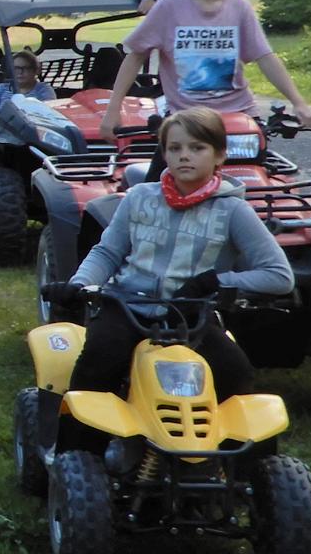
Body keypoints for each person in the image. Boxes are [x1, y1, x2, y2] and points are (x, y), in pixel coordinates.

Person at [61, 107, 291, 401]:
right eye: (175, 148)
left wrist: (214, 281)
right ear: (164, 155)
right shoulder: (139, 198)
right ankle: (77, 445)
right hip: (125, 307)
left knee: (234, 373)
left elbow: (279, 276)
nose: (185, 155)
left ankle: (242, 447)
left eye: (197, 148)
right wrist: (79, 284)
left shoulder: (234, 210)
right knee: (98, 363)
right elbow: (107, 253)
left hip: (190, 314)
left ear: (220, 155)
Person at [100, 0, 311, 139]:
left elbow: (265, 57)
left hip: (239, 116)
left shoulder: (240, 8)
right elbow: (136, 56)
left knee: (265, 176)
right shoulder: (168, 7)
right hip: (184, 120)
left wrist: (299, 102)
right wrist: (113, 110)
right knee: (162, 178)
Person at [0, 49, 57, 124]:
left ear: (35, 70)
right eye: (16, 68)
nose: (20, 72)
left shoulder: (44, 90)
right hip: (2, 132)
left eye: (25, 68)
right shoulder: (1, 89)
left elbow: (49, 116)